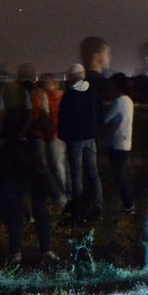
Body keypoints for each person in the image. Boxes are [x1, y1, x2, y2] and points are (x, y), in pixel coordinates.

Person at [0, 64, 59, 264]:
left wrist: (9, 136)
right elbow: (43, 120)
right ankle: (46, 250)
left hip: (12, 152)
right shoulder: (39, 94)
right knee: (40, 203)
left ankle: (15, 253)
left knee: (15, 205)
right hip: (34, 147)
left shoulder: (7, 91)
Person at [58, 63, 103, 216]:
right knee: (93, 173)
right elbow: (100, 113)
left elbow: (63, 118)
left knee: (76, 174)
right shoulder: (94, 92)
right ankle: (98, 205)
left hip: (75, 140)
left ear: (70, 77)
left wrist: (63, 135)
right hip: (91, 137)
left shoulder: (68, 95)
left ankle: (79, 208)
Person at [105, 73, 136, 215]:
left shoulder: (119, 102)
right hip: (125, 142)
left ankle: (128, 205)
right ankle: (127, 204)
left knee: (120, 175)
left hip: (117, 142)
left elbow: (105, 118)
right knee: (121, 174)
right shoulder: (128, 101)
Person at [39, 73, 69, 206]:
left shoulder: (49, 97)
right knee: (63, 167)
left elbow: (46, 117)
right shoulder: (64, 96)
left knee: (57, 167)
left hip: (54, 135)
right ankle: (68, 194)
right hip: (63, 135)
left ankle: (62, 198)